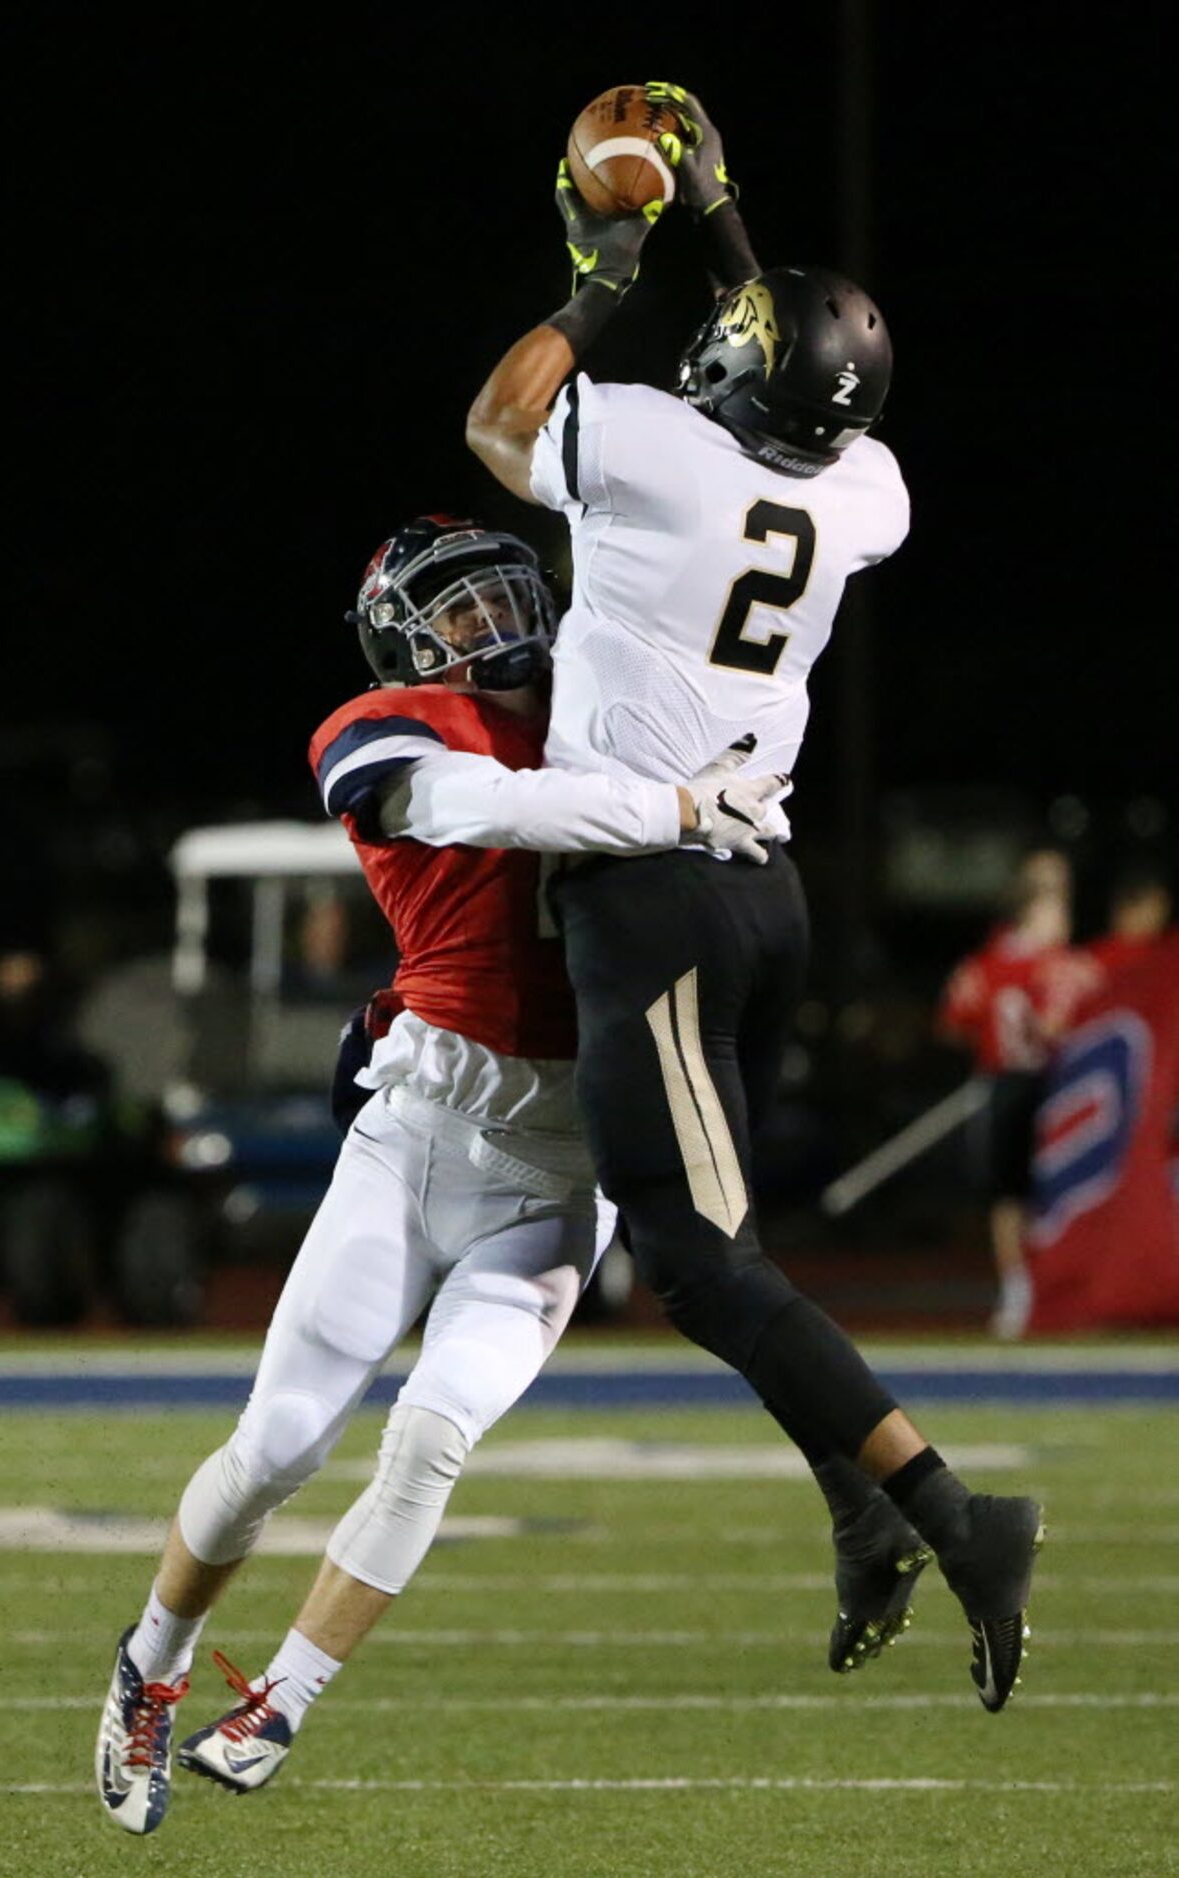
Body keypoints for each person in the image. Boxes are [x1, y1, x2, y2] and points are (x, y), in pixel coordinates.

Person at [465, 81, 1044, 1716]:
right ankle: (859, 1510)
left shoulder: (648, 450)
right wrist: (722, 226)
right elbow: (800, 367)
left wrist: (598, 265)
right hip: (758, 902)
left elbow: (501, 427)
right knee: (726, 1252)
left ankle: (946, 1508)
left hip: (651, 898)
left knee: (701, 1261)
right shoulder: (862, 496)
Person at [94, 515, 781, 1835]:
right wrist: (680, 804)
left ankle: (284, 1694)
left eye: (507, 595)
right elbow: (485, 809)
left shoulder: (615, 710)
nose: (493, 625)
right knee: (276, 1445)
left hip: (562, 1161)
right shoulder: (386, 729)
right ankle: (154, 1661)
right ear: (407, 642)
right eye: (458, 613)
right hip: (420, 1128)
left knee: (432, 1438)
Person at [938, 848, 1099, 1338]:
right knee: (1032, 1191)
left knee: (1014, 1195)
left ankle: (1026, 1289)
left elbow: (954, 1020)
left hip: (1008, 1082)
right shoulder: (1058, 965)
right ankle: (1033, 1288)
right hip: (1049, 1084)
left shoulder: (984, 965)